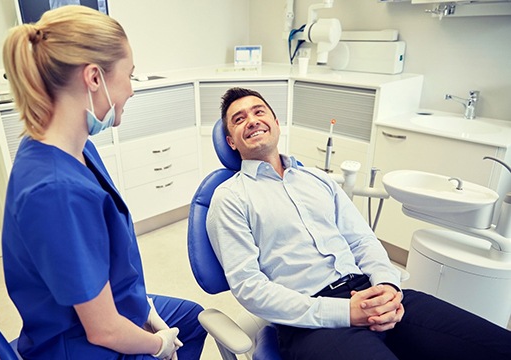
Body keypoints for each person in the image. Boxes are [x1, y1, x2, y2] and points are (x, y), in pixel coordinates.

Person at [206, 87, 511, 360]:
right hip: (311, 323)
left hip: (371, 291)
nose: (252, 120)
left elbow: (363, 240)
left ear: (275, 123)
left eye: (259, 112)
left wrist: (387, 286)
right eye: (239, 119)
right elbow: (250, 288)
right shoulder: (230, 198)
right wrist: (345, 312)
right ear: (231, 141)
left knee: (496, 344)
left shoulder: (318, 179)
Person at [1, 6, 206, 359]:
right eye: (129, 75)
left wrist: (145, 310)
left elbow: (107, 262)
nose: (131, 90)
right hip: (80, 344)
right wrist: (159, 345)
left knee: (191, 319)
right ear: (94, 78)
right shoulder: (55, 191)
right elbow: (104, 329)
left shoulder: (74, 148)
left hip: (110, 306)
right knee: (179, 337)